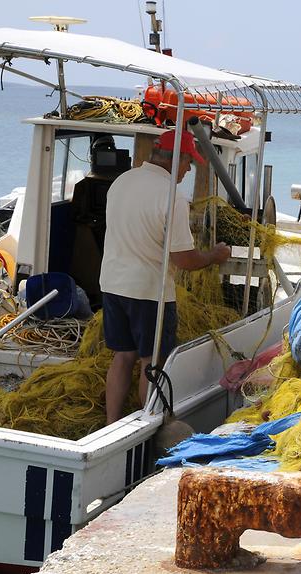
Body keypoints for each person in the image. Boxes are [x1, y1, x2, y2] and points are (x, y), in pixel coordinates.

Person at [100, 130, 231, 424]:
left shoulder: (122, 181)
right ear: (178, 158)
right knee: (152, 362)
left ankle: (111, 424)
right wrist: (214, 255)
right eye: (189, 163)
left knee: (122, 357)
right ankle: (145, 426)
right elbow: (184, 260)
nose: (187, 170)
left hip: (112, 284)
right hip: (150, 292)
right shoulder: (172, 195)